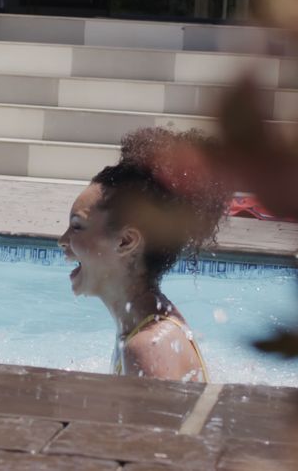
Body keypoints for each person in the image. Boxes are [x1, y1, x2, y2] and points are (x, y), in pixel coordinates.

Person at [58, 128, 229, 382]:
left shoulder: (148, 347)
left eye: (77, 227)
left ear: (126, 242)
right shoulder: (144, 329)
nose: (63, 241)